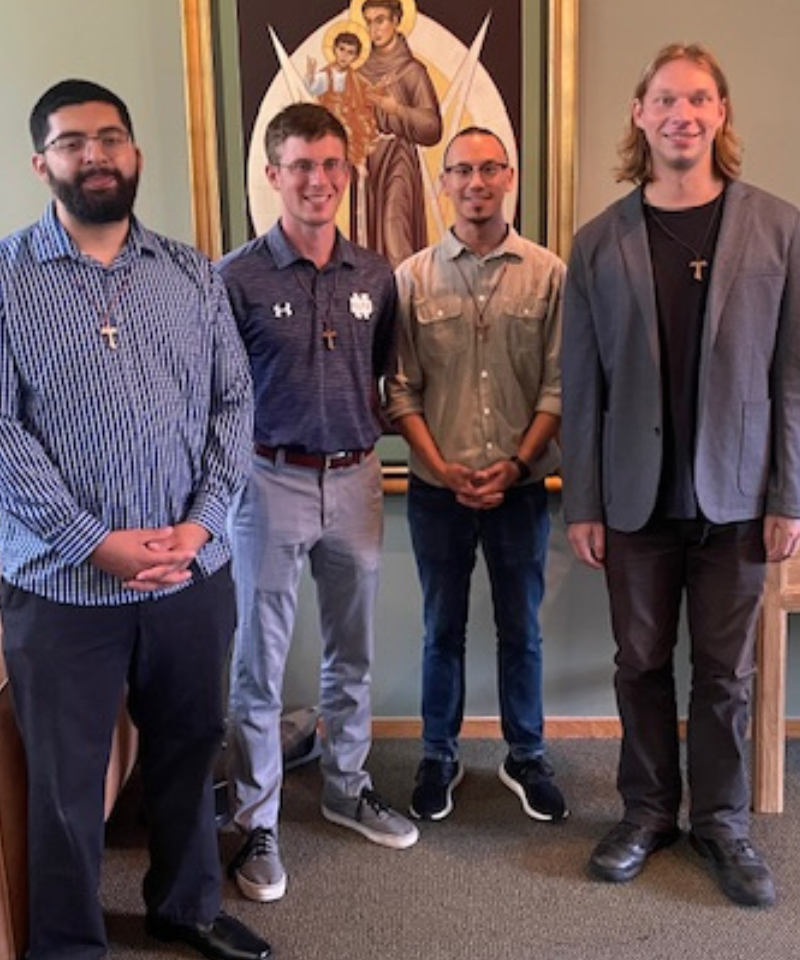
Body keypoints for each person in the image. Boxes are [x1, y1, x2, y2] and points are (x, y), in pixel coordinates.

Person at [0, 80, 270, 960]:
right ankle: (68, 943)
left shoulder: (192, 273)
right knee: (66, 780)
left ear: (136, 153)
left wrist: (198, 528)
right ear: (42, 164)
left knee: (191, 753)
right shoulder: (6, 279)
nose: (96, 154)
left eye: (110, 136)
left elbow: (235, 405)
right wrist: (97, 544)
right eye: (72, 142)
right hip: (61, 580)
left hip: (192, 574)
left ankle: (185, 907)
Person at [561, 43, 800, 908]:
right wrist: (581, 502)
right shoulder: (598, 243)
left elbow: (793, 378)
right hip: (632, 498)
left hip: (739, 496)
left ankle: (723, 823)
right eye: (665, 99)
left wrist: (790, 496)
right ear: (640, 114)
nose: (682, 114)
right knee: (639, 661)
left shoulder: (779, 227)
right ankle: (649, 811)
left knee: (728, 673)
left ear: (721, 114)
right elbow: (580, 385)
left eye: (698, 99)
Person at [219, 102, 418, 906]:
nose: (318, 180)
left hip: (358, 479)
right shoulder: (235, 277)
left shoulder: (376, 275)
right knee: (259, 664)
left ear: (349, 173)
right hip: (269, 481)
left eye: (332, 165)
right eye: (301, 165)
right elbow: (220, 399)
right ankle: (257, 818)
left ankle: (345, 788)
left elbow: (388, 380)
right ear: (273, 175)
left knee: (353, 652)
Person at [385, 127, 568, 824]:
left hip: (521, 490)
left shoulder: (550, 274)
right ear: (442, 184)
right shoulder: (411, 278)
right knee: (442, 629)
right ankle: (439, 754)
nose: (476, 182)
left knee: (521, 628)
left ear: (510, 176)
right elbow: (399, 388)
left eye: (489, 168)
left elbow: (561, 384)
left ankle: (527, 755)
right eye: (461, 170)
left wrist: (517, 463)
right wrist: (440, 467)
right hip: (438, 492)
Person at [356, 0, 442, 267]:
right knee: (368, 237)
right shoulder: (359, 73)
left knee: (395, 232)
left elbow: (432, 127)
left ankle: (405, 300)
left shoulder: (412, 71)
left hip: (398, 159)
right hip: (368, 160)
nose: (374, 29)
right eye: (369, 22)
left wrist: (398, 110)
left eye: (380, 20)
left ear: (396, 20)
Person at [305, 29, 377, 173]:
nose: (344, 56)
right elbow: (311, 90)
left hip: (350, 116)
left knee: (356, 128)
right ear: (334, 50)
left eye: (350, 53)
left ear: (356, 57)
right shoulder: (325, 75)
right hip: (329, 116)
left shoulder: (357, 79)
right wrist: (310, 76)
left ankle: (358, 160)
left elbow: (367, 96)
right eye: (342, 49)